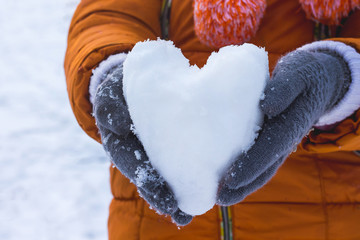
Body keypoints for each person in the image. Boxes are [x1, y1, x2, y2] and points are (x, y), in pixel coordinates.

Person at [64, 0, 360, 239]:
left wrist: (344, 74)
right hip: (154, 227)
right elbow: (107, 14)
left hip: (329, 220)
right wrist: (109, 69)